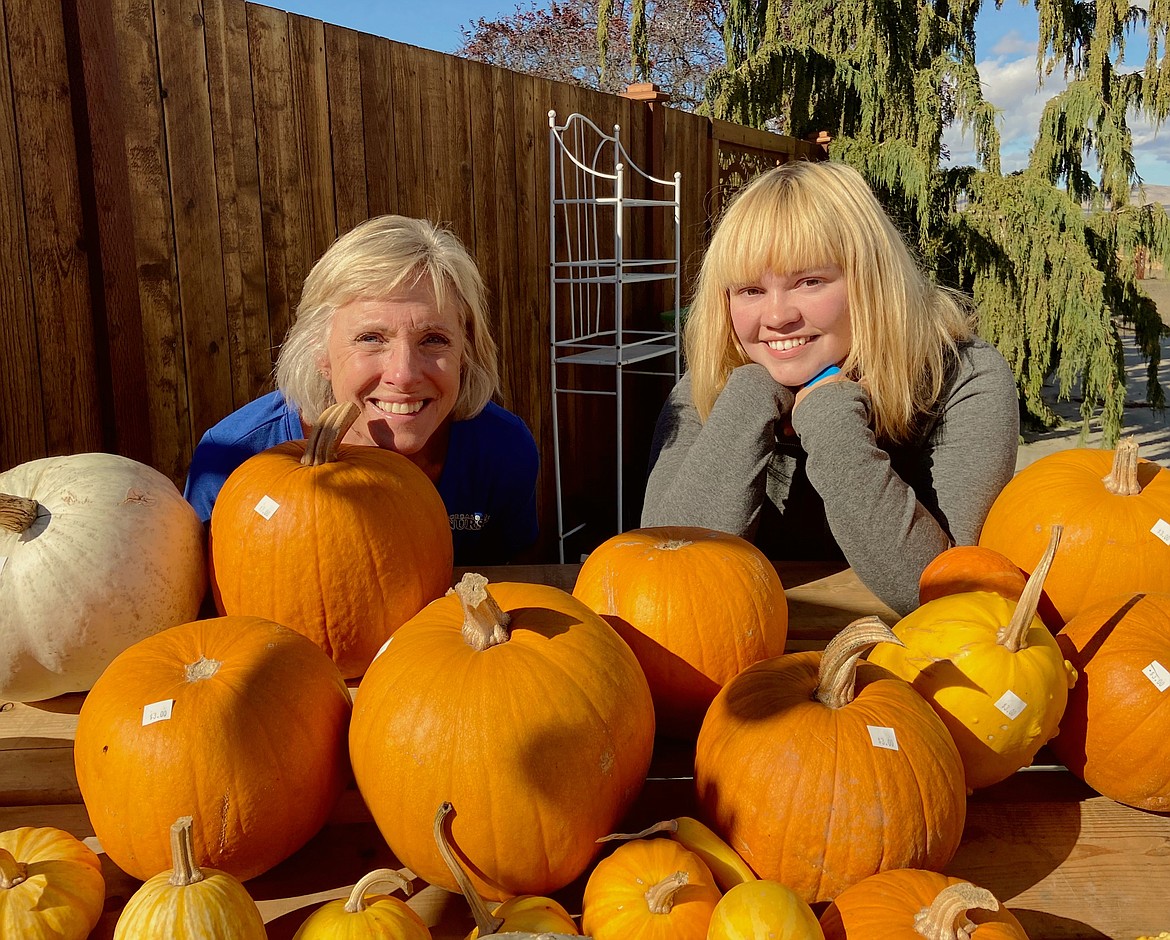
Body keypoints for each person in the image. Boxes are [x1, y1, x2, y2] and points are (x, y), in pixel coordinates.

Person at [641, 161, 1019, 616]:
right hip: (747, 661)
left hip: (912, 665)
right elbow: (667, 579)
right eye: (750, 290)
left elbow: (943, 593)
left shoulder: (962, 377)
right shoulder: (709, 384)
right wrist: (750, 398)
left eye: (810, 281)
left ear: (872, 281)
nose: (777, 316)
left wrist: (829, 418)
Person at [184, 215, 539, 565]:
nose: (403, 375)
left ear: (466, 352)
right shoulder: (233, 458)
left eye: (434, 339)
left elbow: (517, 590)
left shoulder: (501, 451)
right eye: (371, 338)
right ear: (320, 352)